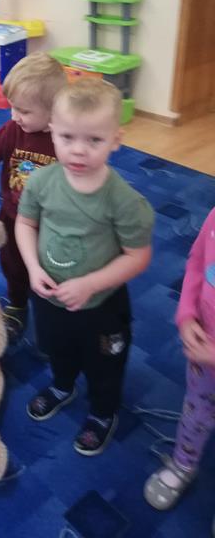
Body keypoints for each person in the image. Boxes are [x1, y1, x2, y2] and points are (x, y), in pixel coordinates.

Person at [16, 79, 154, 455]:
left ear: (116, 140)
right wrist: (32, 267)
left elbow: (138, 257)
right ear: (52, 132)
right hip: (49, 296)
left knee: (104, 364)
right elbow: (25, 224)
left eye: (94, 139)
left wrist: (90, 284)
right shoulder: (41, 181)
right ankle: (62, 385)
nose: (78, 150)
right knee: (56, 347)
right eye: (67, 137)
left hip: (101, 307)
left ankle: (103, 412)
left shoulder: (125, 202)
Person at [0, 52, 66, 342]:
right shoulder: (12, 130)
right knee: (13, 266)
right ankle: (17, 305)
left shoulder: (67, 140)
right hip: (12, 218)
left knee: (55, 274)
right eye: (12, 107)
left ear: (54, 110)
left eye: (23, 110)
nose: (14, 116)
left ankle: (52, 315)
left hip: (53, 227)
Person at [144, 206, 215, 517]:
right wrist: (187, 314)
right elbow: (198, 263)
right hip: (204, 356)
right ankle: (184, 462)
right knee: (196, 410)